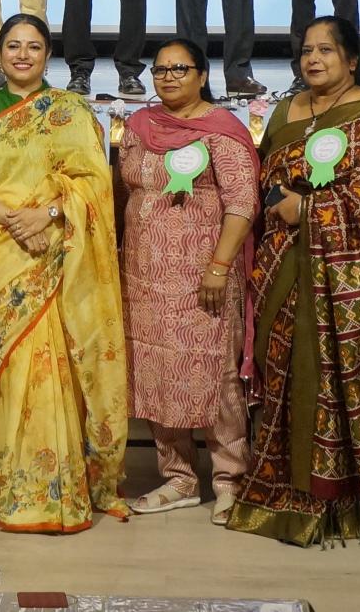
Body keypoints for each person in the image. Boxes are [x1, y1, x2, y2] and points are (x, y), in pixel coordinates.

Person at [227, 15, 360, 547]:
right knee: (282, 375)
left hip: (344, 282)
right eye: (307, 51)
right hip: (281, 266)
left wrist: (310, 210)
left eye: (326, 51)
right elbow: (264, 178)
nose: (313, 59)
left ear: (352, 60)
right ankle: (278, 493)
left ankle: (337, 506)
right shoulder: (285, 111)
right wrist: (281, 203)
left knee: (331, 379)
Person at [0, 14, 127, 532]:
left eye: (33, 46)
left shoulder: (70, 110)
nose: (22, 55)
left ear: (48, 54)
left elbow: (93, 182)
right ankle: (3, 482)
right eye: (13, 46)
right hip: (0, 251)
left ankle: (56, 489)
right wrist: (15, 220)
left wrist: (46, 215)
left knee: (53, 363)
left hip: (56, 250)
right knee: (10, 367)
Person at [116, 37, 259, 523]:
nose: (169, 77)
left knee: (214, 376)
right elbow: (125, 194)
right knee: (157, 373)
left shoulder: (221, 130)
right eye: (160, 70)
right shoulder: (139, 127)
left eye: (180, 68)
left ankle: (230, 480)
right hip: (144, 278)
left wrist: (219, 266)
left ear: (202, 75)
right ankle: (178, 478)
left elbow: (242, 203)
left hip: (204, 278)